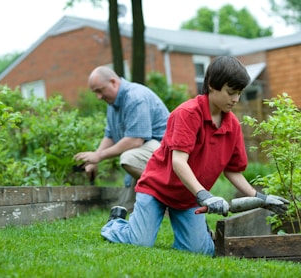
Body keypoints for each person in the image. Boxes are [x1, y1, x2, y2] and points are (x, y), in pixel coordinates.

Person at [100, 56, 290, 257]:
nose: (236, 99)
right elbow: (179, 162)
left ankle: (198, 234)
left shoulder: (232, 125)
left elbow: (232, 171)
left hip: (189, 197)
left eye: (239, 93)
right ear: (211, 86)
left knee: (199, 251)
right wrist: (205, 195)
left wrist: (261, 198)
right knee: (140, 242)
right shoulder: (187, 114)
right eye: (231, 92)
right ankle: (116, 224)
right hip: (157, 189)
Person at [74, 66, 170, 212]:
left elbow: (135, 140)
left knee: (129, 158)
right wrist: (93, 159)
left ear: (113, 82)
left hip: (167, 154)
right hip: (146, 154)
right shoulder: (112, 104)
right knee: (125, 207)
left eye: (100, 90)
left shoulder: (135, 97)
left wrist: (99, 156)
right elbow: (110, 135)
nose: (98, 97)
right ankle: (144, 207)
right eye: (95, 93)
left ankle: (169, 197)